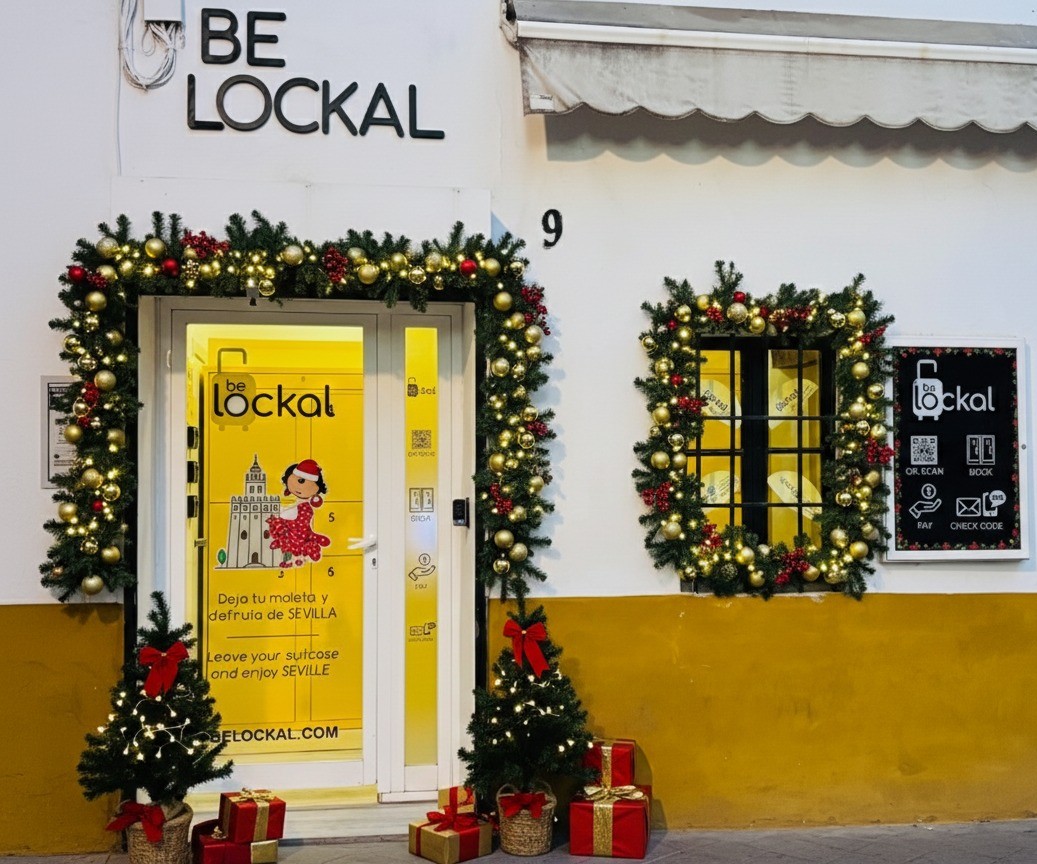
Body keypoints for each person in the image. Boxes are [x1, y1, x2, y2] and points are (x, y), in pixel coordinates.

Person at [267, 459, 331, 567]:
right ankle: (299, 554)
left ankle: (304, 552)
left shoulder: (303, 506)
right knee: (288, 545)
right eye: (299, 480)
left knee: (290, 545)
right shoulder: (291, 501)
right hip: (290, 532)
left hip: (296, 532)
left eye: (302, 481)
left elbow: (287, 516)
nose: (299, 486)